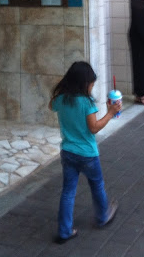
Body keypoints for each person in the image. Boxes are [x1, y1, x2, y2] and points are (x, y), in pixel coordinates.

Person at [49, 61, 120, 244]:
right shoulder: (87, 103)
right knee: (97, 185)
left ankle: (64, 231)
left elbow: (52, 105)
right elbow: (94, 127)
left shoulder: (61, 99)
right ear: (83, 83)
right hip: (87, 154)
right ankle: (102, 216)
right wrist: (111, 113)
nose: (91, 88)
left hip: (68, 152)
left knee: (68, 192)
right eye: (91, 84)